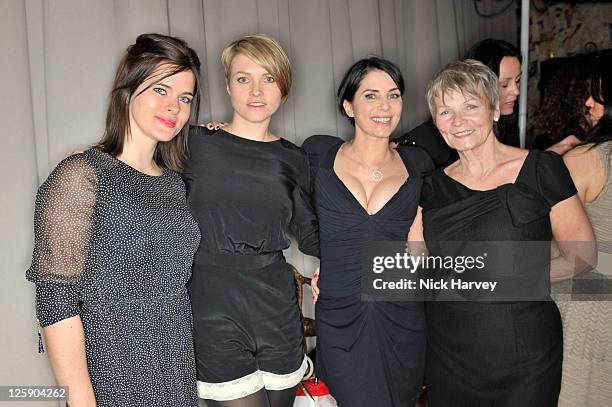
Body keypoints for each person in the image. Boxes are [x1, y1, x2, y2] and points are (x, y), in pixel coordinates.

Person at [26, 33, 202, 406]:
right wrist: (81, 401)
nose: (174, 107)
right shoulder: (80, 175)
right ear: (127, 90)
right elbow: (56, 303)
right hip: (114, 373)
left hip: (176, 367)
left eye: (184, 98)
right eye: (160, 90)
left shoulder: (174, 184)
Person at [415, 59, 595, 406]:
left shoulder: (542, 169)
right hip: (448, 353)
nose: (458, 122)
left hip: (523, 354)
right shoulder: (430, 186)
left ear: (495, 109)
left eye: (470, 106)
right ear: (436, 122)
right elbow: (418, 262)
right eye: (445, 112)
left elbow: (583, 255)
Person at [183, 34, 318, 407]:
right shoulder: (192, 144)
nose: (256, 90)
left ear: (283, 88)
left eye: (268, 78)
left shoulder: (294, 159)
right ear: (227, 86)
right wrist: (96, 161)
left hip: (276, 307)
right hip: (212, 305)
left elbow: (311, 235)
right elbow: (138, 172)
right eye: (243, 78)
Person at [303, 57, 433, 407]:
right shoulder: (317, 155)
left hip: (400, 313)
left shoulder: (419, 164)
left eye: (393, 96)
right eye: (371, 96)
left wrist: (419, 236)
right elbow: (296, 215)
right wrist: (328, 260)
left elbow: (421, 258)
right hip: (340, 313)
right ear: (349, 105)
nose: (385, 107)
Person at [397, 38, 579, 165]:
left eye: (517, 81)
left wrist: (549, 157)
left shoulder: (506, 126)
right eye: (504, 84)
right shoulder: (441, 132)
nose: (516, 91)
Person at [558, 54, 612, 407]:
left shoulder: (585, 160)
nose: (588, 102)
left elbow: (538, 233)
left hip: (586, 309)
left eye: (599, 95)